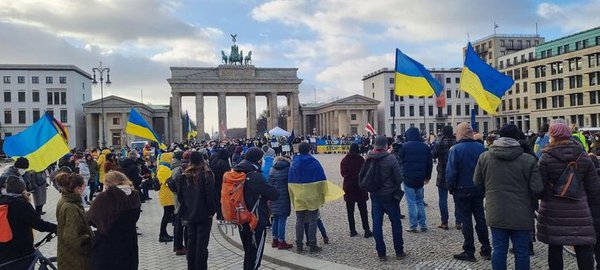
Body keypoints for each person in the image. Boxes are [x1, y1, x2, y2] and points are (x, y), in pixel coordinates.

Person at [474, 124, 543, 270]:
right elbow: (537, 189)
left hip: (496, 209)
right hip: (522, 211)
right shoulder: (528, 160)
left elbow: (477, 182)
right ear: (518, 138)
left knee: (498, 250)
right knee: (522, 251)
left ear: (499, 136)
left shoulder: (485, 157)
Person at [537, 121, 600, 270]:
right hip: (580, 209)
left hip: (553, 210)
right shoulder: (583, 156)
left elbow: (539, 187)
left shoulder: (545, 158)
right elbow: (594, 188)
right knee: (583, 247)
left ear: (552, 136)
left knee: (555, 248)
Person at [446, 122, 491, 262]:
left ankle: (469, 250)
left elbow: (451, 172)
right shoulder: (481, 148)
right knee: (480, 219)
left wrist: (451, 187)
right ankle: (486, 248)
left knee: (466, 221)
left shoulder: (455, 149)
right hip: (478, 189)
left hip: (462, 189)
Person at [232, 147, 279, 269]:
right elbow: (274, 194)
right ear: (258, 160)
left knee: (248, 252)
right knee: (255, 255)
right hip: (255, 220)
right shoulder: (256, 176)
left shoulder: (237, 172)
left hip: (241, 217)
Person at [363, 136, 406, 261]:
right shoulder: (391, 159)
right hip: (390, 195)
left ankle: (381, 253)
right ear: (386, 145)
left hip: (375, 195)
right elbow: (399, 178)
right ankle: (399, 251)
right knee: (396, 223)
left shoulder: (369, 158)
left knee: (377, 224)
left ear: (374, 145)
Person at [88, 171, 141, 270]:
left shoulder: (104, 197)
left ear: (108, 183)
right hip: (129, 241)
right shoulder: (134, 196)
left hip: (107, 243)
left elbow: (92, 217)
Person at [0, 176, 57, 269]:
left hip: (3, 252)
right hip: (21, 252)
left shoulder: (2, 201)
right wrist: (55, 228)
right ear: (23, 189)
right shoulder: (20, 203)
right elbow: (38, 224)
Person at [177, 151, 216, 270]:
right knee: (202, 245)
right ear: (202, 160)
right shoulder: (206, 175)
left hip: (189, 213)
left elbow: (180, 197)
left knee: (191, 242)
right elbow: (210, 196)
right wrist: (212, 211)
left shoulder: (183, 176)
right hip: (204, 214)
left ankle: (191, 267)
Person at [288, 142, 329, 253]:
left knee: (299, 221)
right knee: (312, 220)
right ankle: (312, 244)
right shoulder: (314, 162)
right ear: (310, 149)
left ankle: (299, 245)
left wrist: (293, 195)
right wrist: (322, 194)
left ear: (298, 150)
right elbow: (322, 180)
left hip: (299, 195)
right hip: (312, 195)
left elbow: (290, 182)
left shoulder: (294, 163)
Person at [55, 172, 94, 270]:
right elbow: (73, 237)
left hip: (68, 254)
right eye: (84, 186)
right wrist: (91, 244)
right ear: (77, 189)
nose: (86, 188)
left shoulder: (67, 199)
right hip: (76, 259)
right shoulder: (71, 207)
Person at [398, 127, 433, 233]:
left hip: (408, 177)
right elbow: (429, 164)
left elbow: (400, 159)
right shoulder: (425, 147)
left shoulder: (404, 146)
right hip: (420, 178)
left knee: (411, 203)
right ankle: (423, 224)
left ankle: (413, 225)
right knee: (419, 202)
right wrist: (427, 177)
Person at [340, 143, 372, 237]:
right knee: (363, 210)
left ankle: (352, 230)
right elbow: (366, 172)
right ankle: (366, 230)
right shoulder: (361, 160)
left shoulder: (345, 160)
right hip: (360, 187)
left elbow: (343, 173)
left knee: (350, 211)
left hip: (349, 187)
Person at [432, 125, 460, 230]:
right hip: (456, 174)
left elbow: (433, 155)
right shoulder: (457, 143)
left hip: (443, 173)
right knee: (457, 199)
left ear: (443, 132)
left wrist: (438, 141)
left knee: (443, 199)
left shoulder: (440, 143)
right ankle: (458, 222)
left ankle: (444, 222)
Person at [269, 156, 294, 249]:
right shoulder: (288, 169)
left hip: (273, 195)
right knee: (282, 218)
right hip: (283, 195)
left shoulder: (272, 169)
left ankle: (274, 240)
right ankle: (281, 241)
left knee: (275, 217)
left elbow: (269, 182)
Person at [157, 152, 175, 243]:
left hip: (169, 194)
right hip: (166, 194)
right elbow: (168, 181)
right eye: (170, 158)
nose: (172, 160)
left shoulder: (165, 167)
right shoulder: (163, 168)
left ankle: (164, 233)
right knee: (166, 215)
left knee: (167, 215)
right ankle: (162, 235)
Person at [209, 148, 231, 221]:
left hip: (215, 183)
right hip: (223, 183)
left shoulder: (214, 160)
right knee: (224, 200)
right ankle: (223, 215)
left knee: (217, 200)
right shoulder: (224, 162)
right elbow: (228, 173)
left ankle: (219, 215)